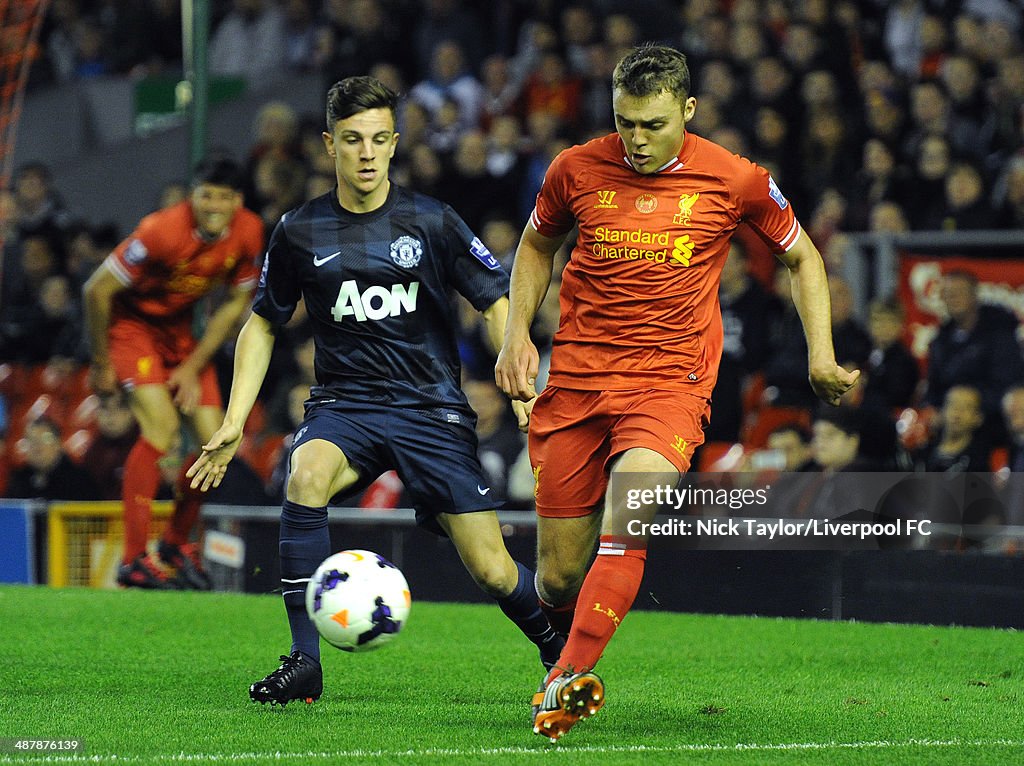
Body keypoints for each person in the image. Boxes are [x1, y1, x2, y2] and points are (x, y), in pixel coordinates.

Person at [494, 44, 858, 742]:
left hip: (670, 382)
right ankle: (565, 645)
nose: (636, 139)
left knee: (629, 513)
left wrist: (822, 355)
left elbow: (802, 255)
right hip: (575, 383)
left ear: (687, 111)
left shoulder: (735, 177)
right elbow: (537, 247)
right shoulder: (574, 168)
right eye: (625, 122)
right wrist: (517, 336)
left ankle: (564, 685)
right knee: (559, 580)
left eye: (653, 124)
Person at [186, 77, 562, 708]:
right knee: (304, 475)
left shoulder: (432, 221)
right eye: (353, 140)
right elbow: (262, 322)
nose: (366, 153)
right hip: (345, 408)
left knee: (494, 571)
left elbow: (496, 301)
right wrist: (233, 419)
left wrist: (518, 376)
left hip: (431, 411)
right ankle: (305, 659)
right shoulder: (299, 231)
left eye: (380, 140)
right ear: (331, 144)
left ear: (394, 146)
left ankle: (559, 650)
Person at [82, 157, 264, 591]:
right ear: (193, 196)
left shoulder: (250, 231)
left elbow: (235, 305)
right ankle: (133, 559)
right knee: (161, 429)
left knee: (218, 444)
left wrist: (192, 366)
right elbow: (96, 289)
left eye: (223, 196)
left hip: (181, 336)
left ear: (237, 201)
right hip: (132, 328)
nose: (213, 204)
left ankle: (174, 544)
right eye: (205, 195)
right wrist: (102, 361)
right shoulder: (159, 231)